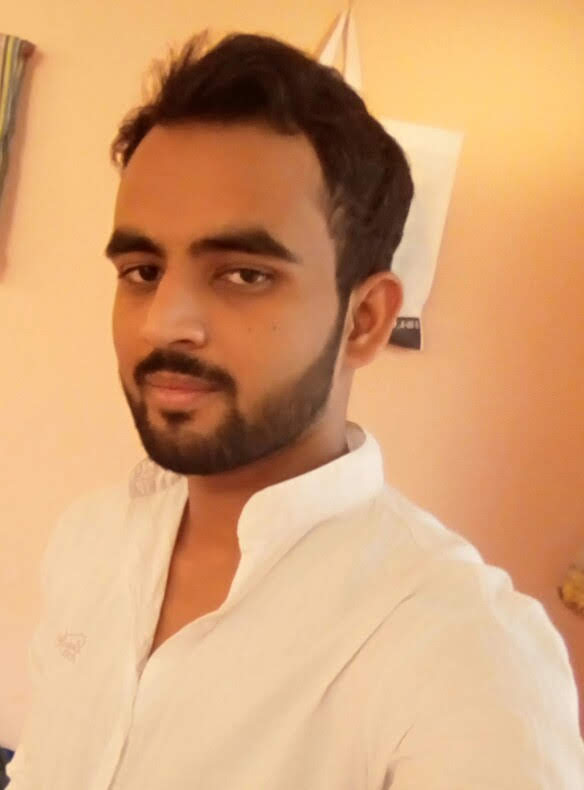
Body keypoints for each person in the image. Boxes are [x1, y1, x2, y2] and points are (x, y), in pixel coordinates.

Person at [7, 32, 584, 789]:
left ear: (365, 321)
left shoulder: (464, 653)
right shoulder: (90, 541)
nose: (162, 323)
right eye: (143, 270)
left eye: (244, 274)